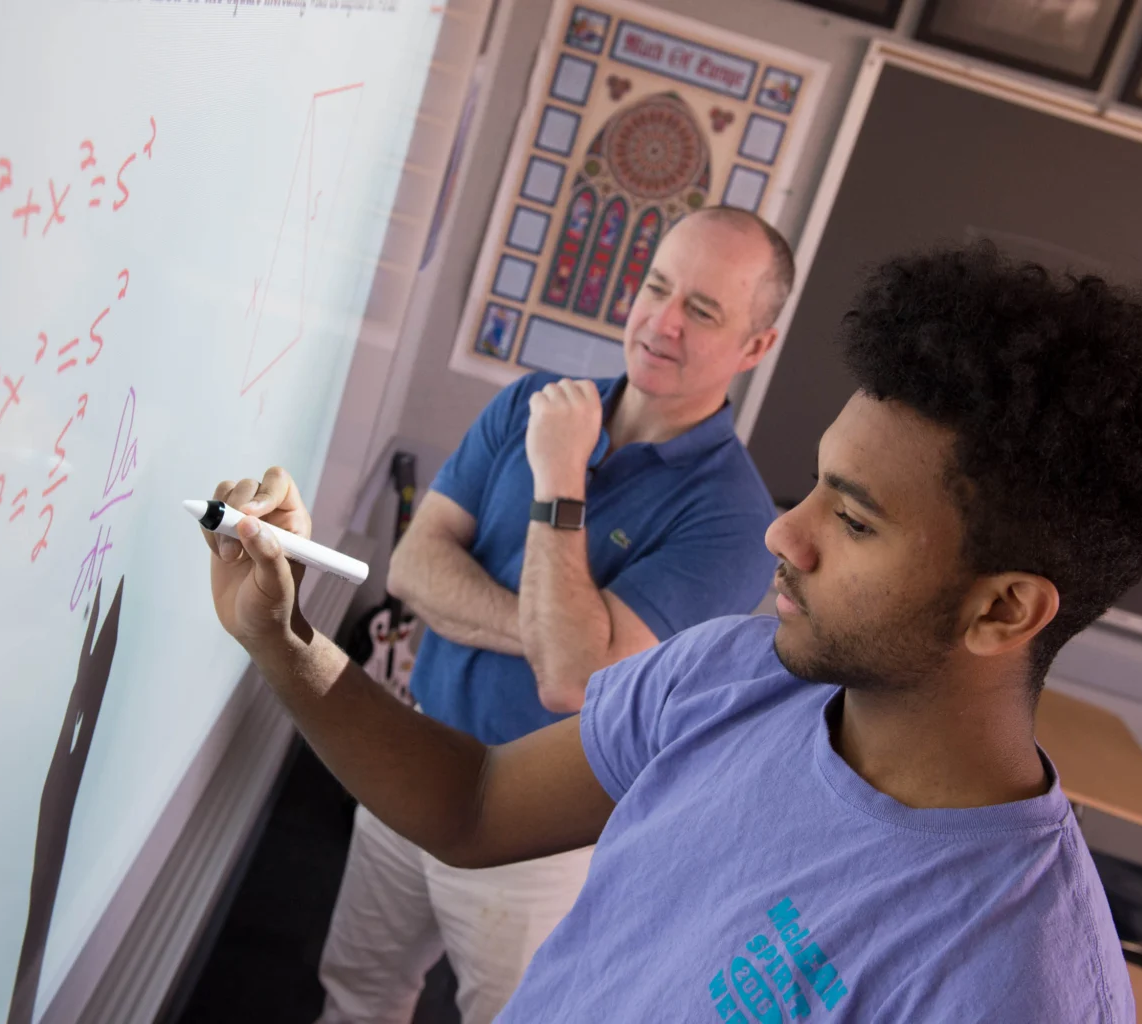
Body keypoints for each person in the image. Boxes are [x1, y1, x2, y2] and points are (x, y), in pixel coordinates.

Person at [201, 243, 1142, 1020]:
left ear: (1002, 607)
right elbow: (475, 804)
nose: (784, 531)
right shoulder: (738, 674)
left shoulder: (1011, 978)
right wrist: (286, 644)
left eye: (853, 520)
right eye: (815, 486)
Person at [307, 206, 792, 1023]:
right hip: (416, 745)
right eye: (656, 286)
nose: (661, 322)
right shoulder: (537, 400)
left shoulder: (736, 518)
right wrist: (548, 632)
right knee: (356, 996)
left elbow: (575, 682)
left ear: (755, 347)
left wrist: (560, 475)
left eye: (702, 310)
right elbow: (415, 568)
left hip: (538, 826)